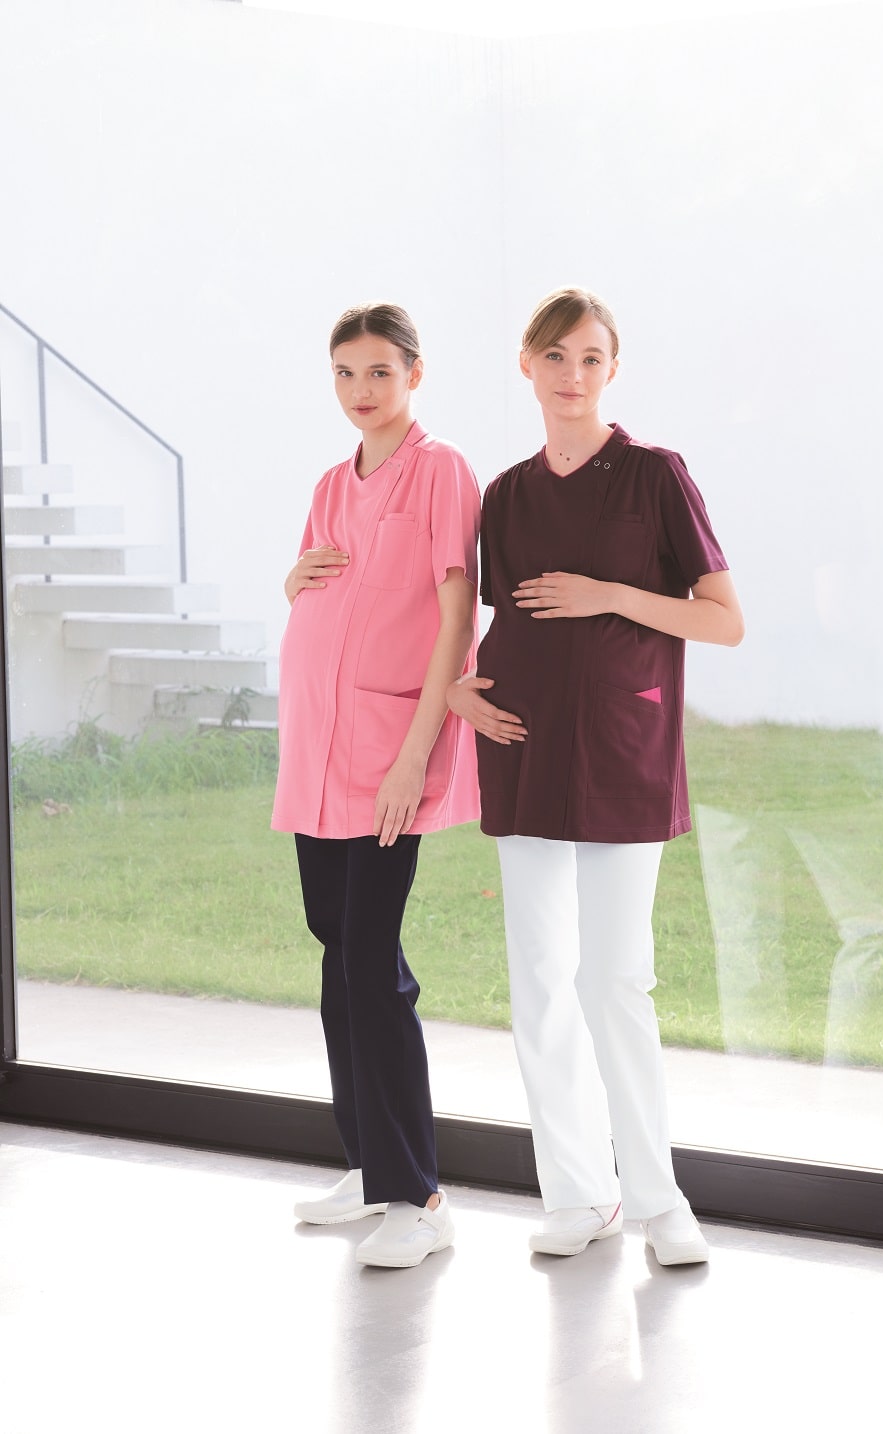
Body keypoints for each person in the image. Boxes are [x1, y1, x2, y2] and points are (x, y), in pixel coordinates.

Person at [448, 287, 744, 1265]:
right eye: (554, 357)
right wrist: (459, 693)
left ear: (612, 368)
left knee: (614, 979)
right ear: (526, 366)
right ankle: (578, 1195)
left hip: (621, 751)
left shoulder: (655, 474)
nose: (571, 375)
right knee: (539, 981)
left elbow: (723, 619)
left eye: (589, 358)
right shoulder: (505, 494)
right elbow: (501, 619)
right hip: (522, 745)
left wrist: (609, 594)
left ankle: (659, 1203)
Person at [273, 302, 481, 1269]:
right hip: (317, 751)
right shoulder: (329, 482)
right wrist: (291, 585)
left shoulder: (441, 471)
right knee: (336, 953)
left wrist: (413, 752)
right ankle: (367, 1166)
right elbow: (327, 587)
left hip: (386, 754)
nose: (362, 391)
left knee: (370, 961)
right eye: (345, 373)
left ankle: (420, 1194)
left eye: (380, 373)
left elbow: (455, 614)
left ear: (414, 375)